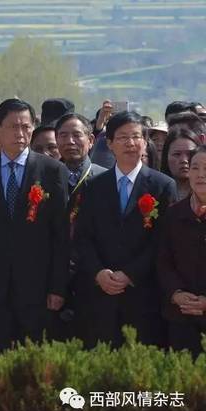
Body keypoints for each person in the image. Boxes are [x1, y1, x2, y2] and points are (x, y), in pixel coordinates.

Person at [0, 98, 69, 354]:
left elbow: (61, 236)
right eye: (13, 127)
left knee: (36, 358)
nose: (20, 133)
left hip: (38, 286)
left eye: (26, 126)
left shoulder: (52, 171)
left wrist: (58, 287)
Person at [75, 111, 177, 348]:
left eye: (136, 136)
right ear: (109, 143)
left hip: (143, 294)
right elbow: (82, 238)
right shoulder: (94, 186)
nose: (130, 143)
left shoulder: (162, 185)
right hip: (101, 295)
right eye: (122, 137)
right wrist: (98, 273)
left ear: (144, 142)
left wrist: (130, 273)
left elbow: (162, 241)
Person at [54, 113, 107, 340]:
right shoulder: (45, 177)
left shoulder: (105, 180)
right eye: (63, 136)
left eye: (77, 135)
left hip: (95, 277)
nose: (70, 142)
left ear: (91, 140)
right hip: (54, 277)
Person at [158, 145, 206, 357]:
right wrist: (176, 293)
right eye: (195, 168)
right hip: (180, 316)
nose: (201, 175)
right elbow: (163, 260)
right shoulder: (174, 214)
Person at [160, 127, 199, 200]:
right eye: (177, 154)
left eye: (190, 154)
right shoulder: (155, 191)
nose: (184, 160)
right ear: (166, 157)